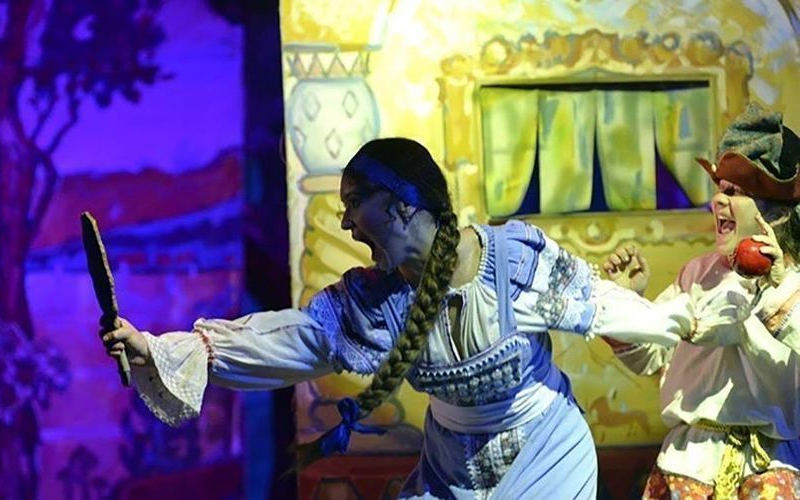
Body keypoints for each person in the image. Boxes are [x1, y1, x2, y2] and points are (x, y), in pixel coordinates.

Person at [101, 137, 695, 498]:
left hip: (545, 456)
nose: (345, 221)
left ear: (402, 204)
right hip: (450, 465)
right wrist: (161, 348)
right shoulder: (374, 299)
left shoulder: (512, 261)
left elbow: (603, 305)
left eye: (355, 202)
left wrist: (691, 315)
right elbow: (294, 340)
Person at [602, 103, 800, 499]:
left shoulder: (793, 285)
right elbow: (653, 356)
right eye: (719, 188)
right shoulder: (697, 274)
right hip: (687, 465)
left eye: (734, 192)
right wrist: (626, 302)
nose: (719, 201)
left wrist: (777, 288)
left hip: (770, 470)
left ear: (775, 213)